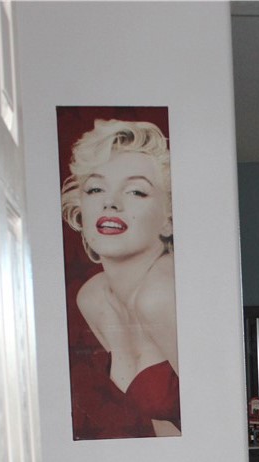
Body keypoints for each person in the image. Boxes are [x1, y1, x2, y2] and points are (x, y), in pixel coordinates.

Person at [61, 118, 181, 438]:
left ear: (169, 219)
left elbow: (213, 418)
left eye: (136, 191)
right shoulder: (93, 297)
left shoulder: (161, 295)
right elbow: (165, 421)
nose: (110, 202)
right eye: (96, 188)